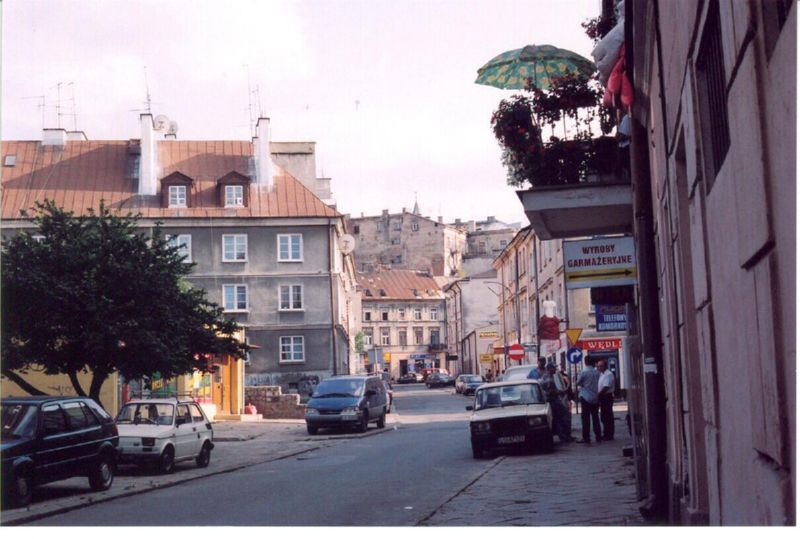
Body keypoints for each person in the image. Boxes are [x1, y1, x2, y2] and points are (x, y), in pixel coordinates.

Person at [540, 363, 573, 443]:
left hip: (552, 401)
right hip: (553, 401)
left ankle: (564, 436)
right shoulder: (549, 379)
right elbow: (551, 392)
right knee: (564, 417)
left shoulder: (547, 377)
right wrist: (561, 392)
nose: (555, 369)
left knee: (559, 419)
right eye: (554, 368)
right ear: (549, 369)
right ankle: (564, 436)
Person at [575, 356, 602, 444]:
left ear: (585, 362)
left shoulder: (584, 372)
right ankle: (598, 436)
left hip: (585, 397)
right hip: (595, 397)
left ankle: (586, 437)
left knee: (585, 418)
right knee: (595, 417)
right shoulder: (597, 372)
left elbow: (578, 382)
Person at [597, 359, 615, 440]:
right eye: (598, 366)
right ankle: (606, 433)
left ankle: (609, 434)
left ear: (605, 366)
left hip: (606, 396)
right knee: (604, 416)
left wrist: (599, 394)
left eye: (601, 366)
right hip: (603, 397)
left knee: (608, 416)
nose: (599, 367)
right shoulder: (602, 374)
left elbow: (606, 387)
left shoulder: (608, 374)